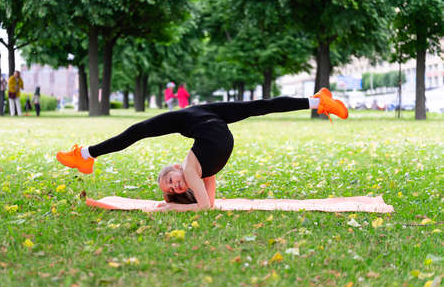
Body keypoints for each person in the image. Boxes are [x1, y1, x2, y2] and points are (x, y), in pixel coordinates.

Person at [56, 88, 348, 212]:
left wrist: (170, 208)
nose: (176, 183)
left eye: (169, 180)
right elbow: (208, 206)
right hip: (212, 133)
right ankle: (85, 156)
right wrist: (172, 206)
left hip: (203, 119)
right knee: (140, 130)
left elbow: (205, 205)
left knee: (259, 106)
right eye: (174, 189)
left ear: (172, 168)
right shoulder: (194, 172)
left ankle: (318, 101)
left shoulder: (189, 167)